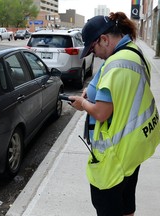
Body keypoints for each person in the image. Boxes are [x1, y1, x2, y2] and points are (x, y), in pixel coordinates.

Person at [68, 12, 160, 216]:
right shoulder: (132, 52)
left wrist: (83, 103)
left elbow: (101, 113)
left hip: (116, 154)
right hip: (132, 148)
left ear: (104, 39)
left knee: (107, 203)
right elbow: (122, 94)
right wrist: (92, 92)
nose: (95, 54)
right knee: (126, 202)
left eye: (93, 48)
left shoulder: (116, 64)